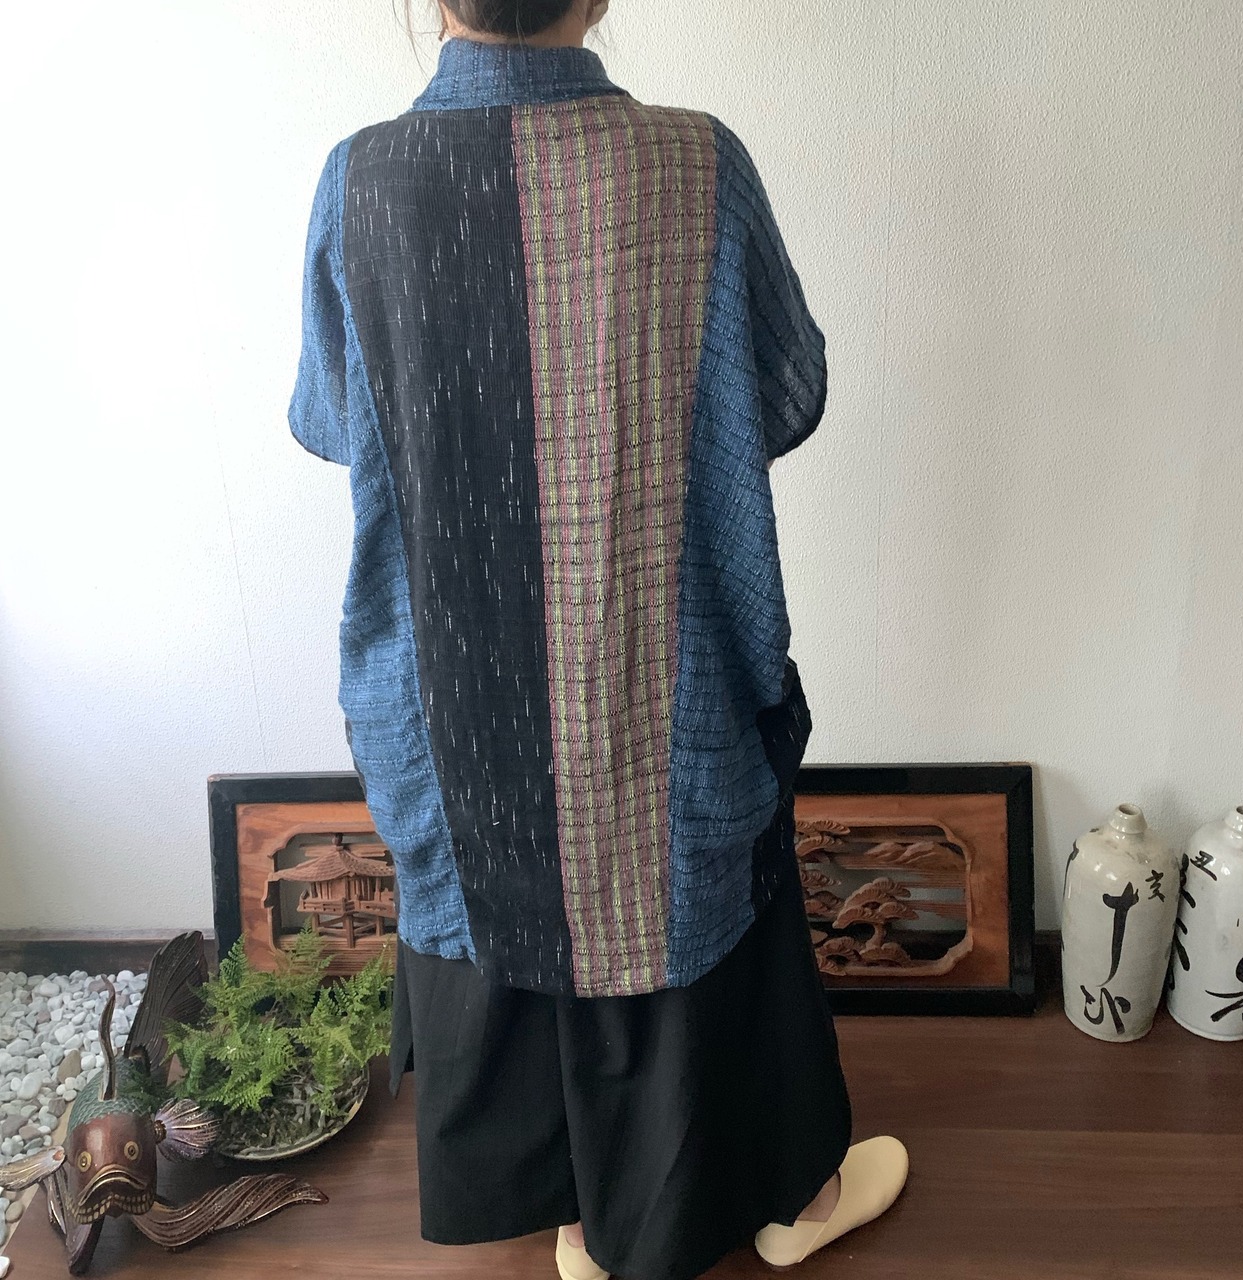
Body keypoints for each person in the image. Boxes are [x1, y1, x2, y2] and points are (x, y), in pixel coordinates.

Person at [287, 2, 909, 1277]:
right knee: (687, 870)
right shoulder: (698, 163)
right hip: (663, 669)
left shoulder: (359, 184)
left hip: (457, 692)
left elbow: (335, 422)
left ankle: (580, 1215)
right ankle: (789, 1197)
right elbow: (784, 390)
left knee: (509, 882)